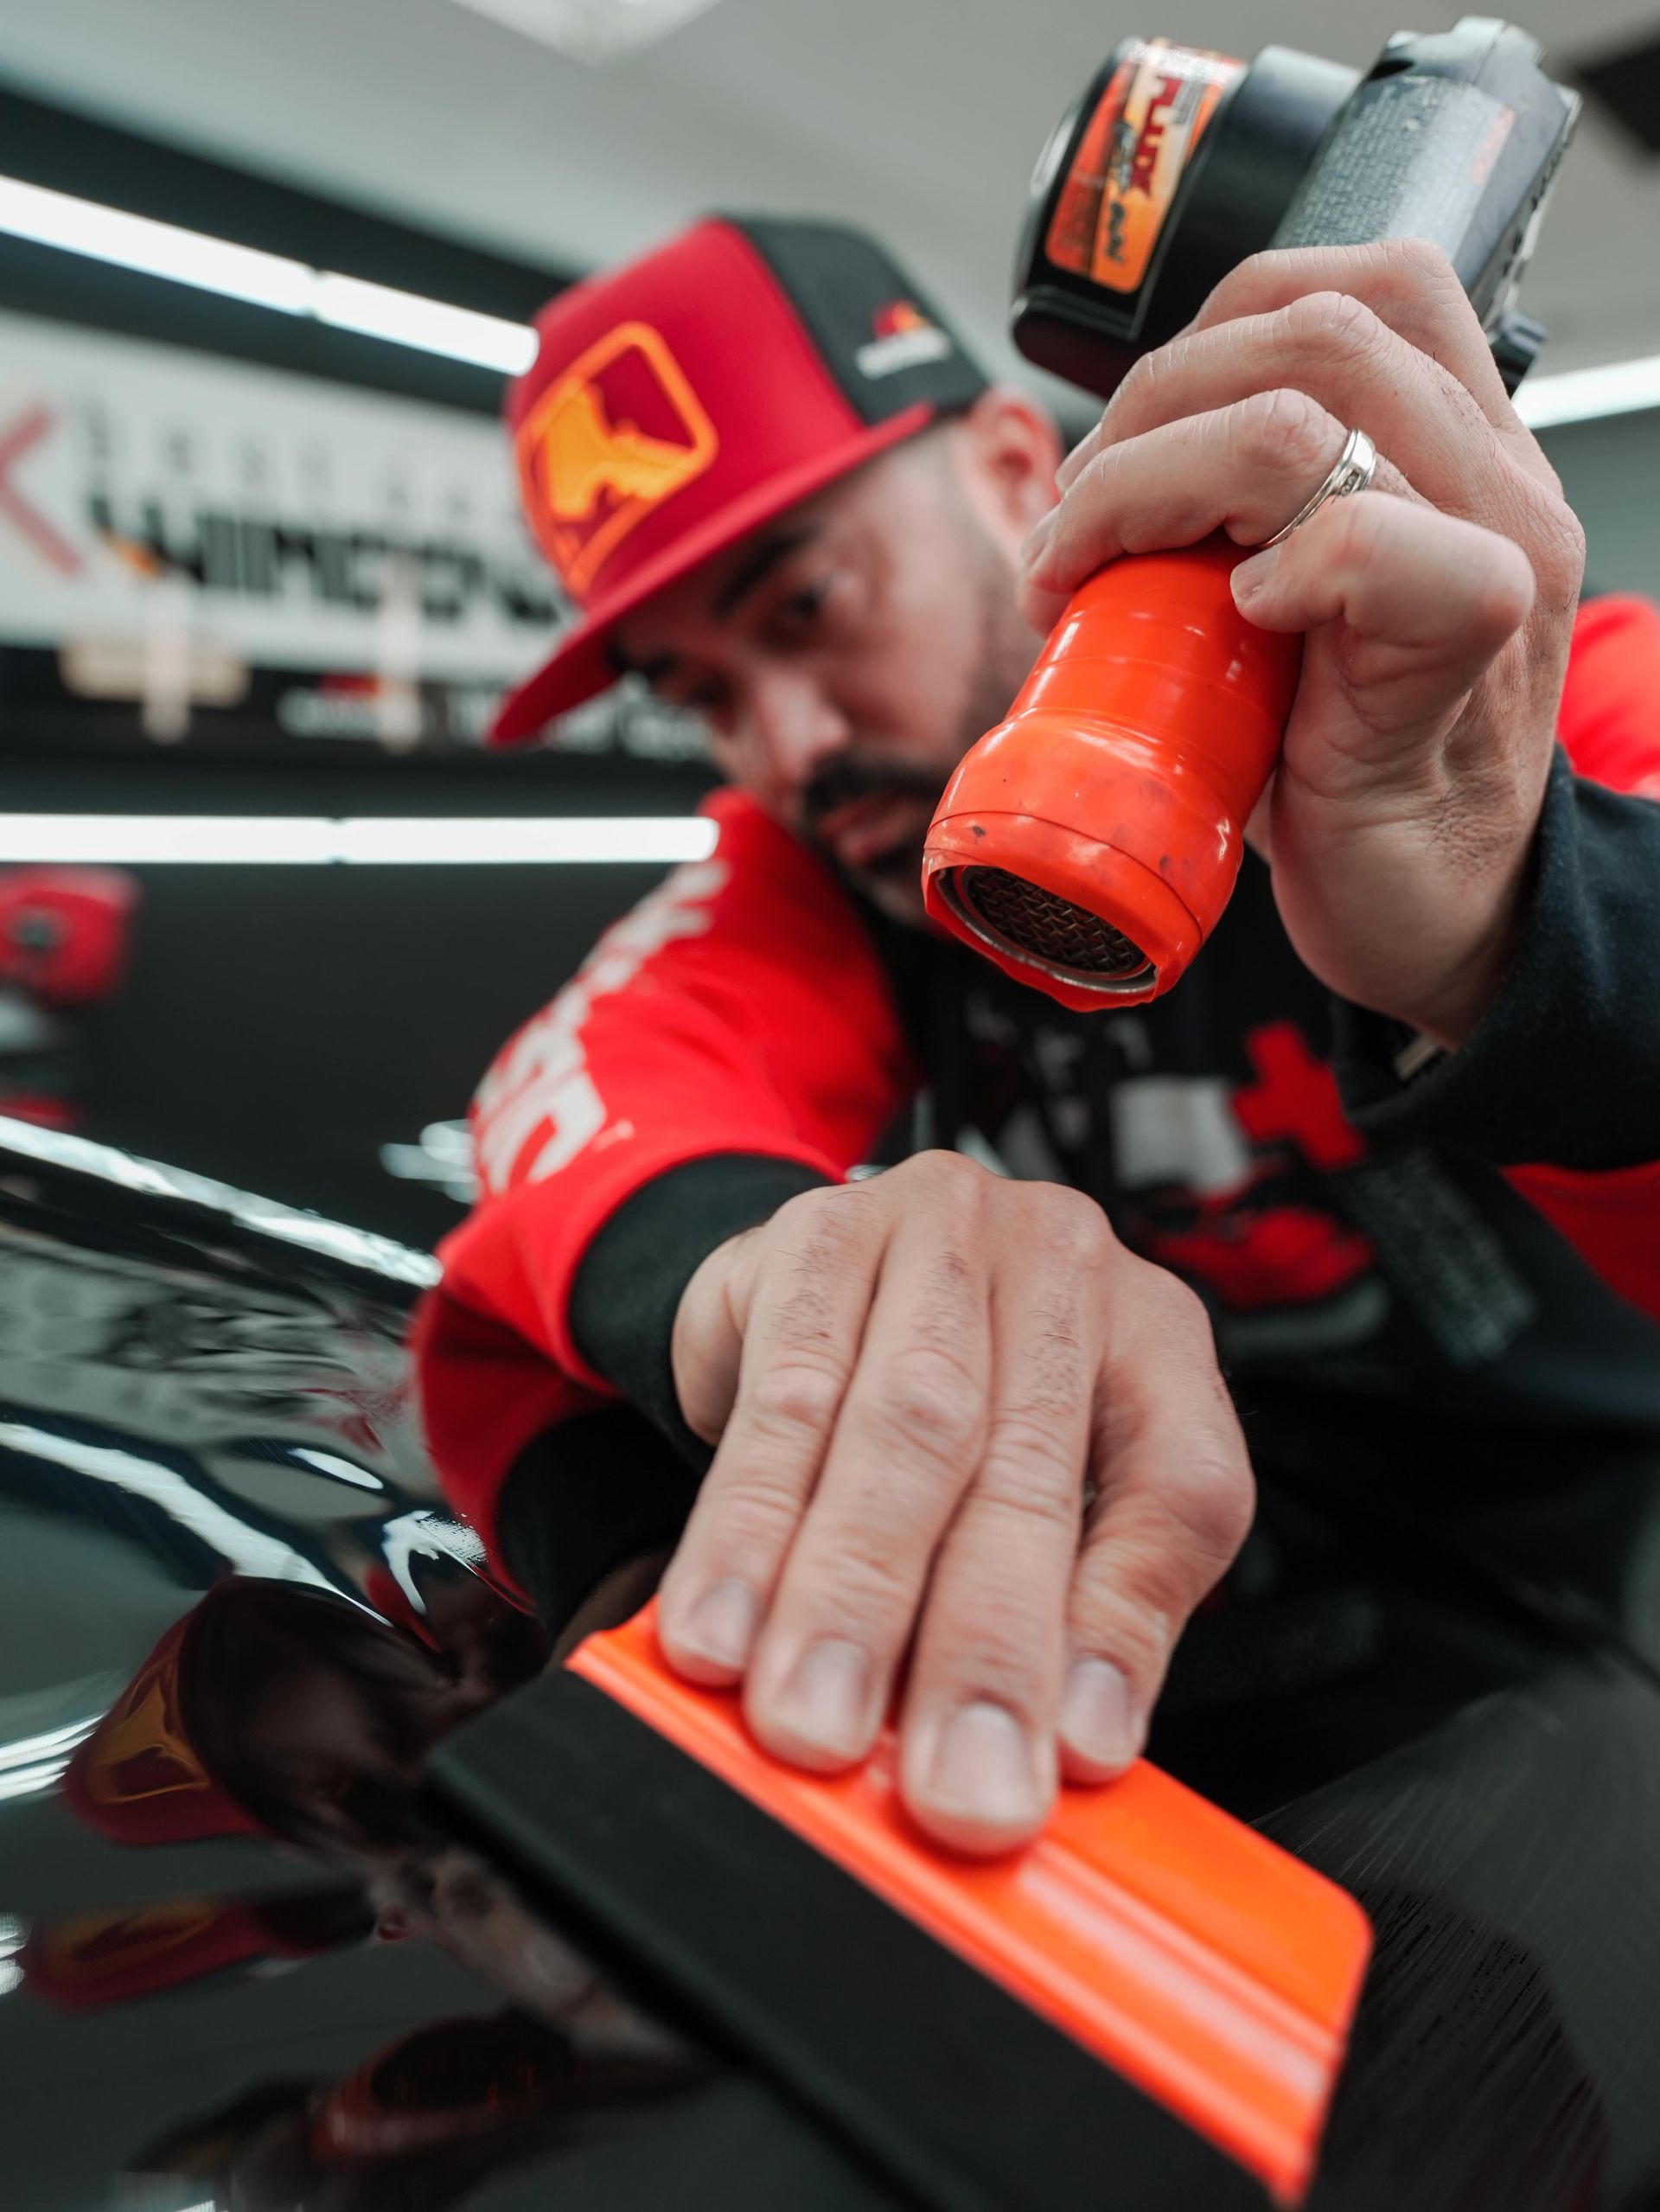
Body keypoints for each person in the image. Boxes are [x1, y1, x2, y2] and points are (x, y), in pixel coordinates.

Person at [420, 214, 1660, 1857]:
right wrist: (786, 1285)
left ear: (1016, 468)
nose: (785, 745)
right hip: (1137, 1678)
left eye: (805, 607)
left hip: (1583, 1633)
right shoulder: (826, 863)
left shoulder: (1502, 682)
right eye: (702, 692)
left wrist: (1513, 917)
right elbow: (594, 1082)